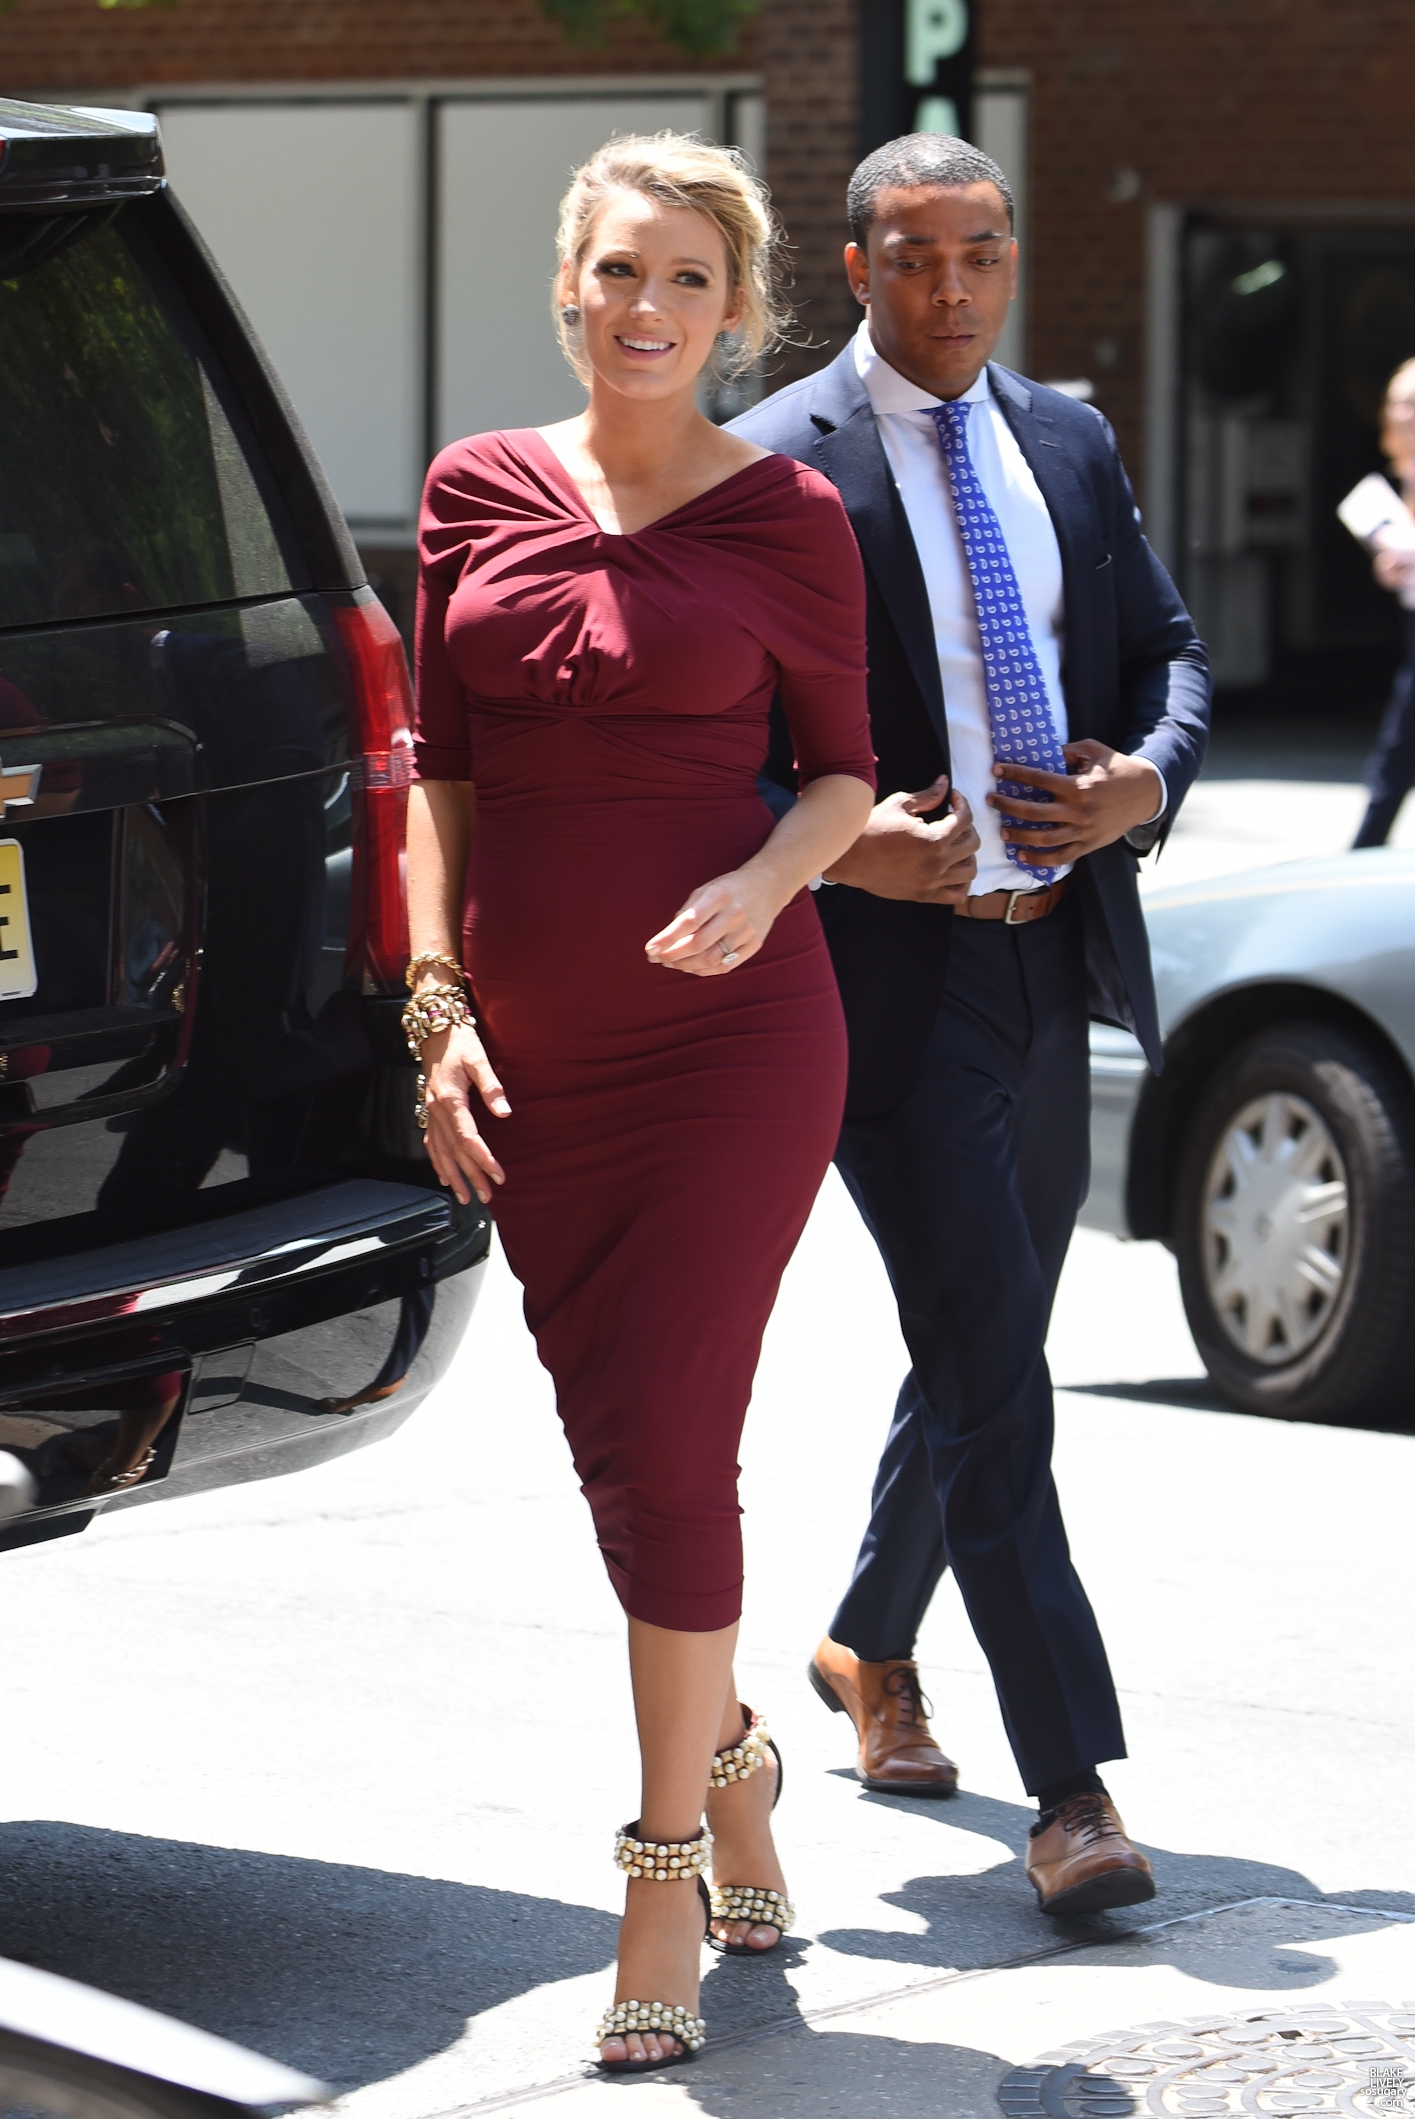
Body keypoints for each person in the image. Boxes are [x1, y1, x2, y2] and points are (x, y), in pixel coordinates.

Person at [405, 135, 876, 2071]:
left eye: (686, 278)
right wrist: (432, 1003)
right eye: (618, 270)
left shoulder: (788, 516)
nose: (647, 307)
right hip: (532, 1059)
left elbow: (842, 775)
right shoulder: (471, 491)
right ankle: (735, 1750)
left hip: (730, 1048)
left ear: (734, 309)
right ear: (567, 284)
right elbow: (436, 774)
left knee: (676, 1446)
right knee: (621, 1455)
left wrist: (762, 881)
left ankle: (662, 1868)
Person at [731, 133, 1211, 1915]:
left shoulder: (1065, 439)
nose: (952, 289)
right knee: (999, 1372)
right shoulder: (772, 465)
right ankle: (1071, 1788)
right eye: (916, 256)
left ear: (1012, 258)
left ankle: (869, 1636)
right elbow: (706, 751)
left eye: (981, 253)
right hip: (889, 987)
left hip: (1048, 959)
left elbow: (1171, 653)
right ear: (857, 265)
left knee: (982, 1333)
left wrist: (1142, 782)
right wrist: (845, 845)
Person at [1354, 358, 1415, 848]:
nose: (1402, 413)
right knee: (1397, 750)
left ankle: (1362, 851)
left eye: (1412, 403)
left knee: (1397, 750)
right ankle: (1362, 851)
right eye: (1397, 403)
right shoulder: (1404, 473)